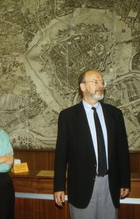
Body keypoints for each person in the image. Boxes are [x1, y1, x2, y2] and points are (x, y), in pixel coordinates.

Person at [53, 70, 131, 219]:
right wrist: (58, 187)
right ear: (82, 87)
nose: (100, 85)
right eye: (95, 82)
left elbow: (122, 150)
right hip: (81, 186)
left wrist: (125, 181)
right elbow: (61, 155)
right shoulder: (68, 116)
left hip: (110, 184)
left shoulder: (115, 114)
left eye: (102, 82)